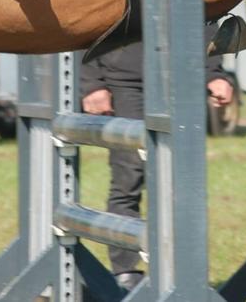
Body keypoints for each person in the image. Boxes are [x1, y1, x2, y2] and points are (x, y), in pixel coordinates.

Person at [80, 41, 236, 291]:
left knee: (183, 185)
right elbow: (86, 23)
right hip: (124, 80)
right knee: (128, 178)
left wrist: (215, 73)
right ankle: (126, 274)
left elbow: (204, 14)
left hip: (181, 79)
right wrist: (91, 83)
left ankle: (184, 276)